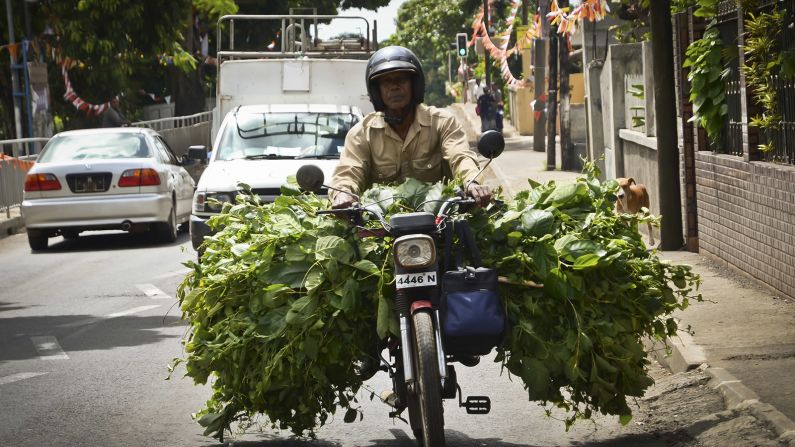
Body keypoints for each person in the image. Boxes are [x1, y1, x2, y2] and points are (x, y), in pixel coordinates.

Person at [330, 45, 491, 209]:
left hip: (440, 223)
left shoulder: (442, 123)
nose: (394, 87)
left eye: (401, 80)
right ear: (376, 91)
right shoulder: (362, 134)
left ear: (415, 85)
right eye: (386, 82)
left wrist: (472, 181)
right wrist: (344, 193)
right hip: (380, 228)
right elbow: (349, 171)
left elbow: (460, 156)